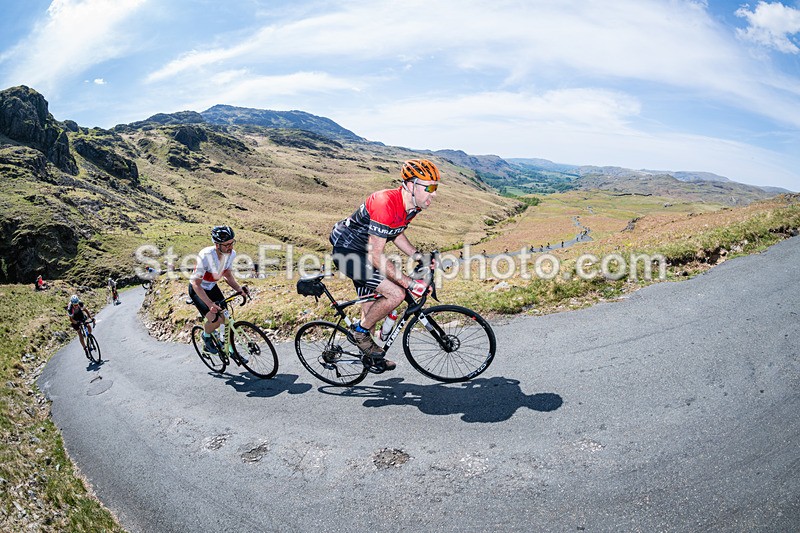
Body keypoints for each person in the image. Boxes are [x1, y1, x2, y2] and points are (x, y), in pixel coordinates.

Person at [329, 159, 439, 372]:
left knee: (370, 312)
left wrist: (419, 257)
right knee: (396, 294)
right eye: (429, 188)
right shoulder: (384, 203)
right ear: (411, 185)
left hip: (365, 253)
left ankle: (370, 357)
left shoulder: (412, 207)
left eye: (435, 188)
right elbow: (376, 256)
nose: (434, 194)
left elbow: (396, 232)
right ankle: (359, 333)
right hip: (348, 253)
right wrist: (409, 283)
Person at [189, 225, 250, 355]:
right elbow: (196, 284)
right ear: (217, 245)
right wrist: (209, 304)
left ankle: (228, 347)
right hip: (198, 289)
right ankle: (206, 337)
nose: (230, 247)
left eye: (232, 243)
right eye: (226, 244)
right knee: (216, 320)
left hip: (212, 287)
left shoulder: (231, 254)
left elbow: (227, 275)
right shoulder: (205, 256)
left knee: (226, 317)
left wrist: (239, 289)